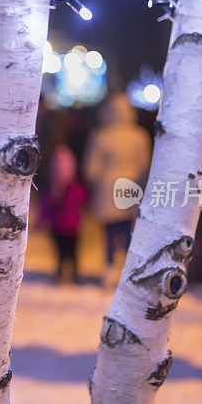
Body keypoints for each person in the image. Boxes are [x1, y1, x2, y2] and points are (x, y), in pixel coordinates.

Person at [83, 92, 151, 287]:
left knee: (110, 232)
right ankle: (132, 270)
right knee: (130, 231)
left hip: (108, 188)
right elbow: (145, 165)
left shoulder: (101, 136)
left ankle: (109, 269)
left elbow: (92, 169)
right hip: (132, 187)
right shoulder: (140, 136)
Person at [37, 144, 88, 284]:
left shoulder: (75, 188)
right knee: (60, 253)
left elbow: (84, 201)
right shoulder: (51, 190)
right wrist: (40, 222)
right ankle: (60, 272)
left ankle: (75, 274)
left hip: (73, 229)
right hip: (57, 228)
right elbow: (45, 207)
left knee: (72, 253)